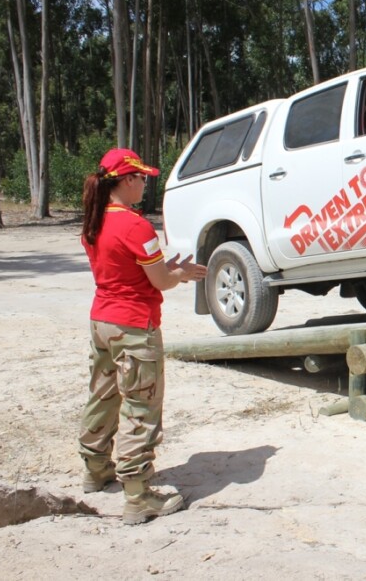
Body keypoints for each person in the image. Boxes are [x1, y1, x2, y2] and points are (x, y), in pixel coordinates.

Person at [78, 148, 207, 525]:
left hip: (102, 320)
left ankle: (95, 469)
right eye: (141, 179)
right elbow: (161, 282)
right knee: (141, 405)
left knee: (102, 395)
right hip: (134, 325)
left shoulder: (94, 220)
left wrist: (169, 267)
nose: (144, 185)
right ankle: (138, 495)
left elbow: (127, 270)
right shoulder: (136, 226)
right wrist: (178, 274)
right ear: (126, 180)